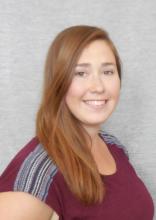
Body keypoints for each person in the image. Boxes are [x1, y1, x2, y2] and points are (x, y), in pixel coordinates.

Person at [0, 25, 154, 220]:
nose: (98, 86)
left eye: (108, 72)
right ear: (59, 82)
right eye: (80, 73)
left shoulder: (114, 146)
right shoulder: (38, 173)